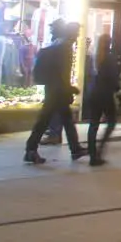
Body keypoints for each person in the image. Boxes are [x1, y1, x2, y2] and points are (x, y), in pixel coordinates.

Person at [25, 21, 84, 164]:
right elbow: (62, 72)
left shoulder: (59, 45)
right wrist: (70, 88)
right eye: (76, 33)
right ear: (70, 33)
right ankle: (30, 150)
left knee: (64, 120)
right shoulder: (65, 48)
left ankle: (75, 149)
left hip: (54, 89)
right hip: (57, 91)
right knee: (45, 121)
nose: (77, 36)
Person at [87, 32, 121, 166]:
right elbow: (113, 78)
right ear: (109, 43)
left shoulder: (93, 57)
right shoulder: (110, 58)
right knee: (111, 122)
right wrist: (118, 90)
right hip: (105, 95)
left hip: (93, 93)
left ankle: (92, 155)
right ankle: (100, 150)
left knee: (93, 125)